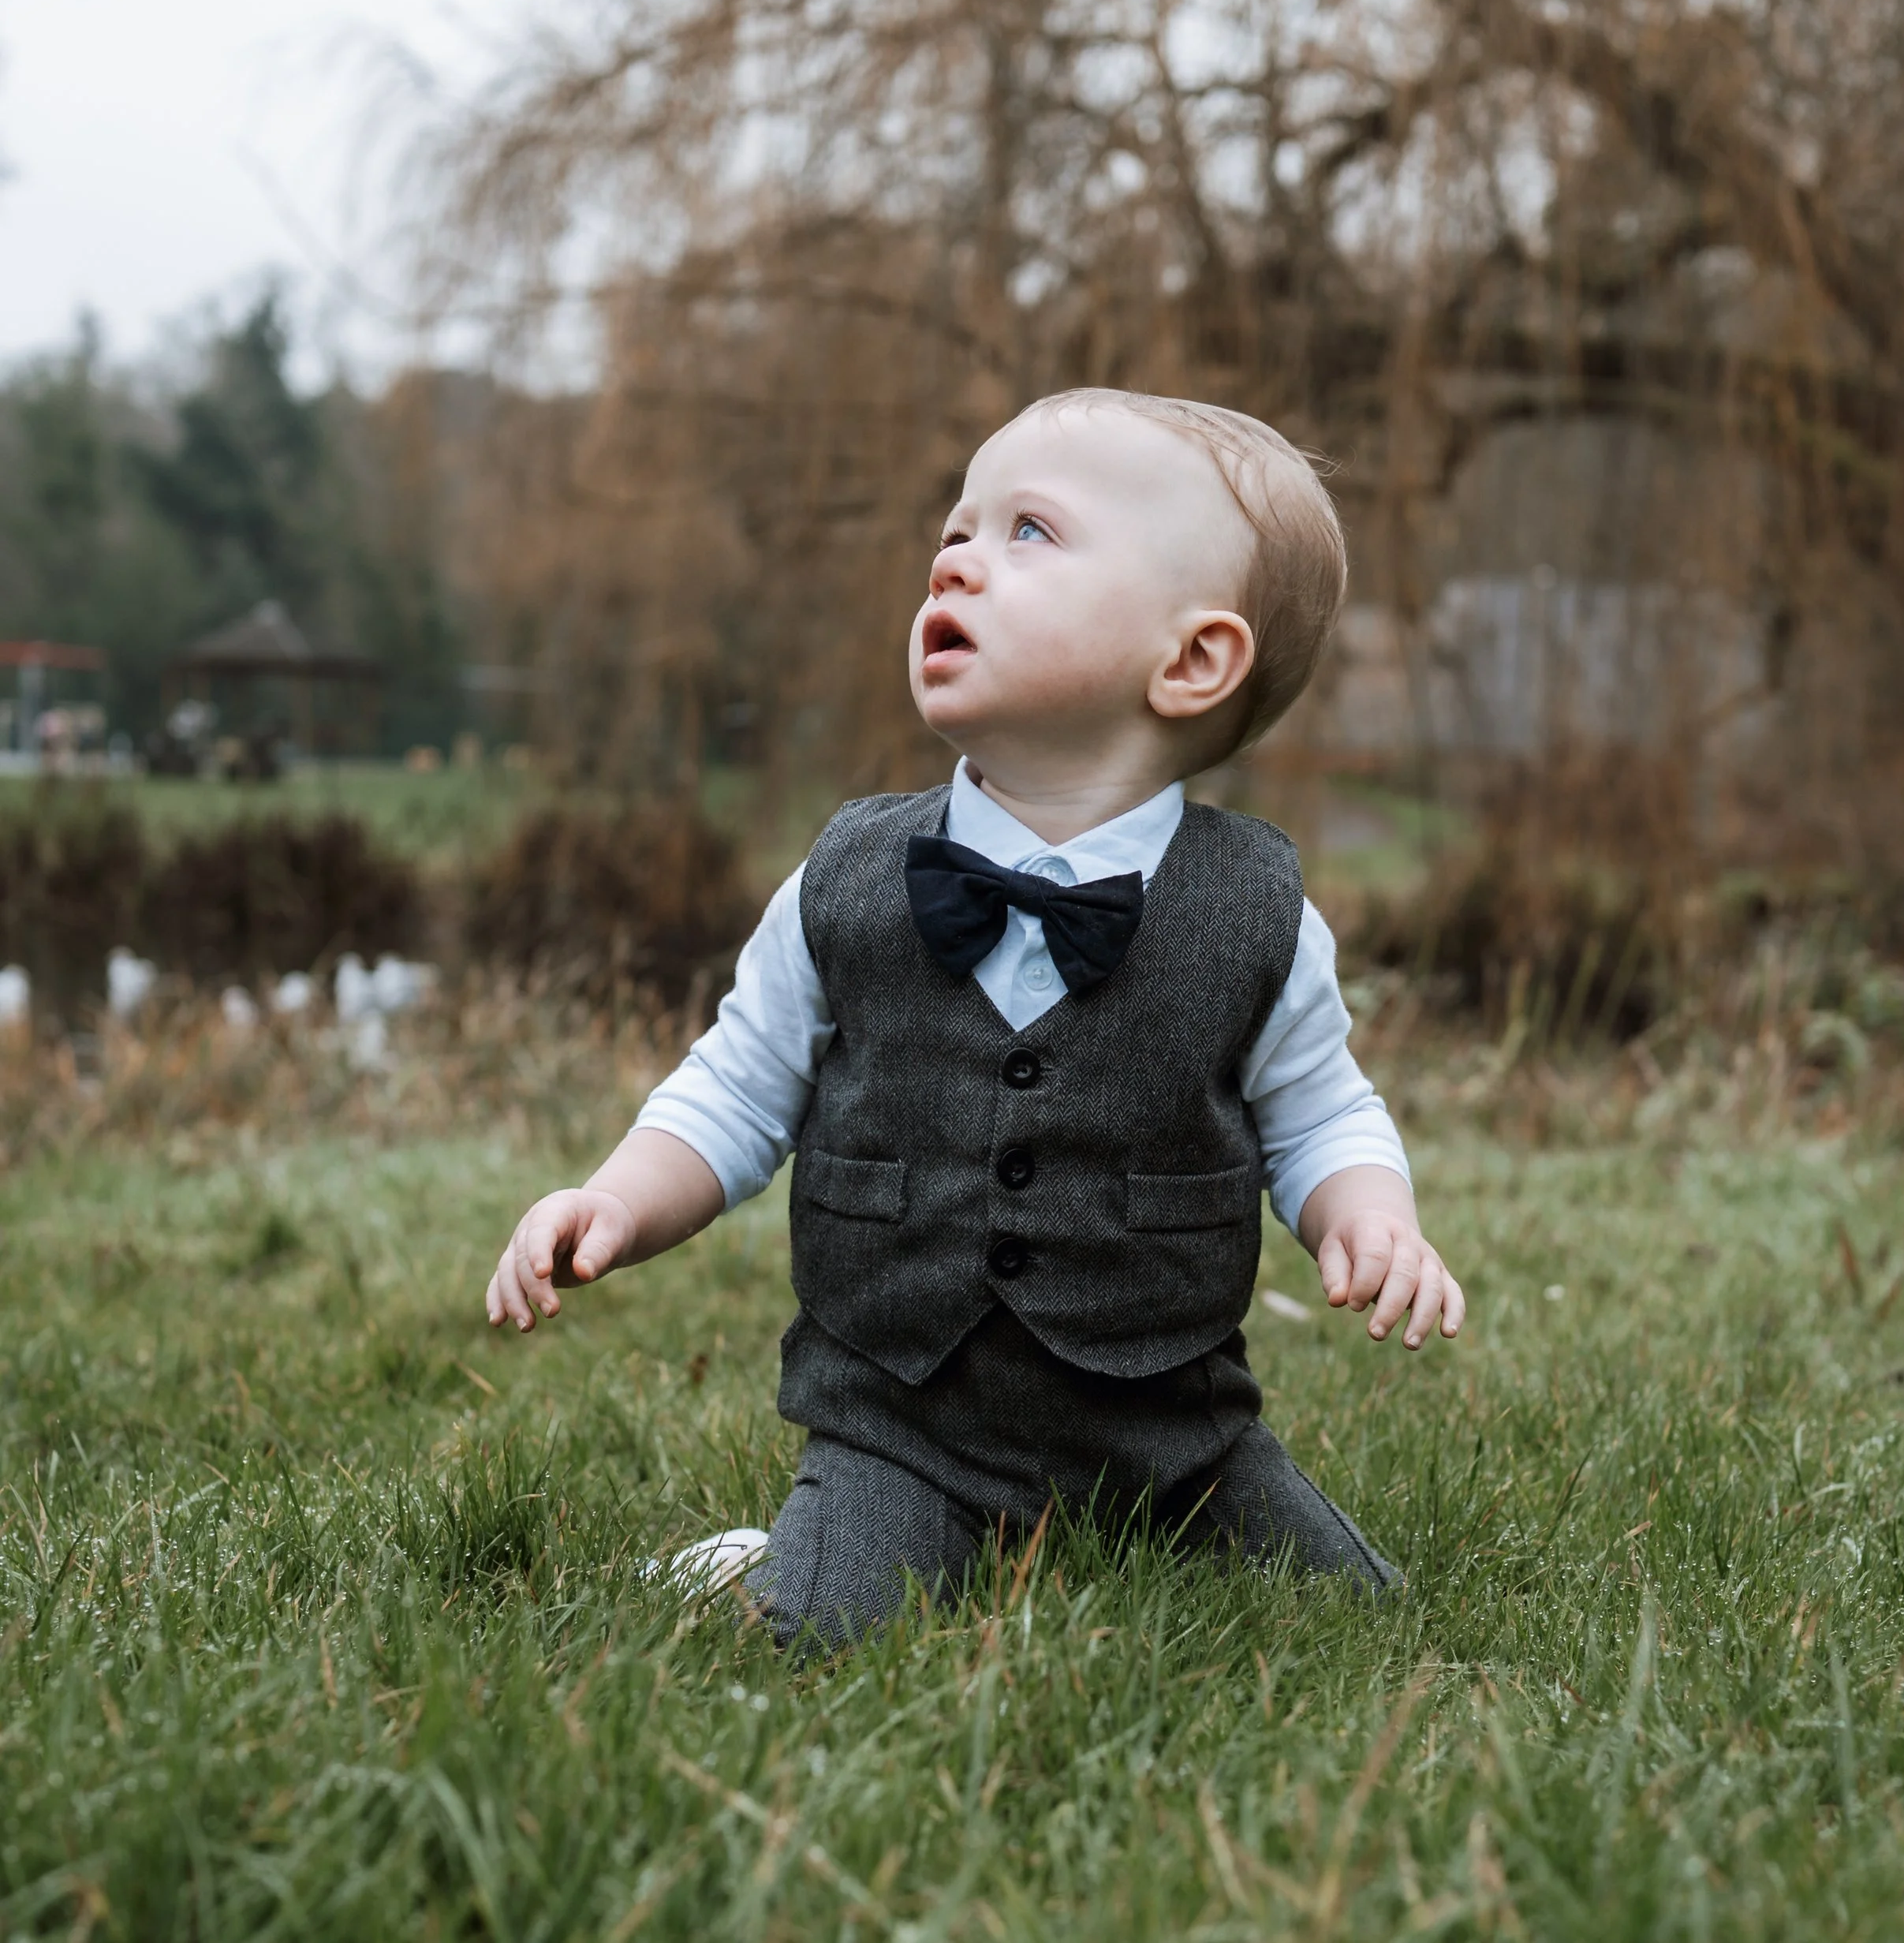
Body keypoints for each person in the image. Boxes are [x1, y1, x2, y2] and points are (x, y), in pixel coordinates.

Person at [486, 389, 1465, 1650]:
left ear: (1192, 661)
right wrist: (616, 1200)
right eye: (957, 530)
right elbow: (735, 1086)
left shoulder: (1256, 914)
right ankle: (776, 1556)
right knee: (816, 1634)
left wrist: (1371, 1218)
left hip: (1172, 1429)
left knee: (1354, 1624)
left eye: (1030, 534)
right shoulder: (842, 881)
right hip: (907, 1415)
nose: (955, 558)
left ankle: (1120, 1523)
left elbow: (1322, 1107)